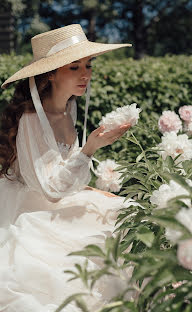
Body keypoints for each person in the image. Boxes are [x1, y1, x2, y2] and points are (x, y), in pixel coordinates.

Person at [0, 24, 134, 312]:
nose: (85, 74)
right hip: (33, 206)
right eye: (74, 67)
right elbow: (49, 190)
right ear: (50, 73)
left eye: (87, 64)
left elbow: (62, 171)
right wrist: (90, 149)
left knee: (125, 210)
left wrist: (93, 188)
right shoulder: (31, 118)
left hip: (61, 196)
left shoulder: (69, 108)